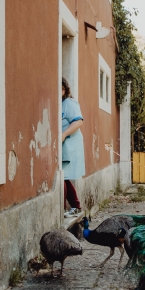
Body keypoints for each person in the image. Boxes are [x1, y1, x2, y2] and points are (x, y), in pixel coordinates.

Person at [62, 77, 85, 217]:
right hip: (62, 143)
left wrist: (64, 134)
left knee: (63, 176)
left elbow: (78, 122)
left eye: (61, 88)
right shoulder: (57, 103)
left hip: (70, 143)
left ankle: (69, 207)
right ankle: (75, 206)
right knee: (64, 177)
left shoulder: (69, 103)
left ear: (64, 90)